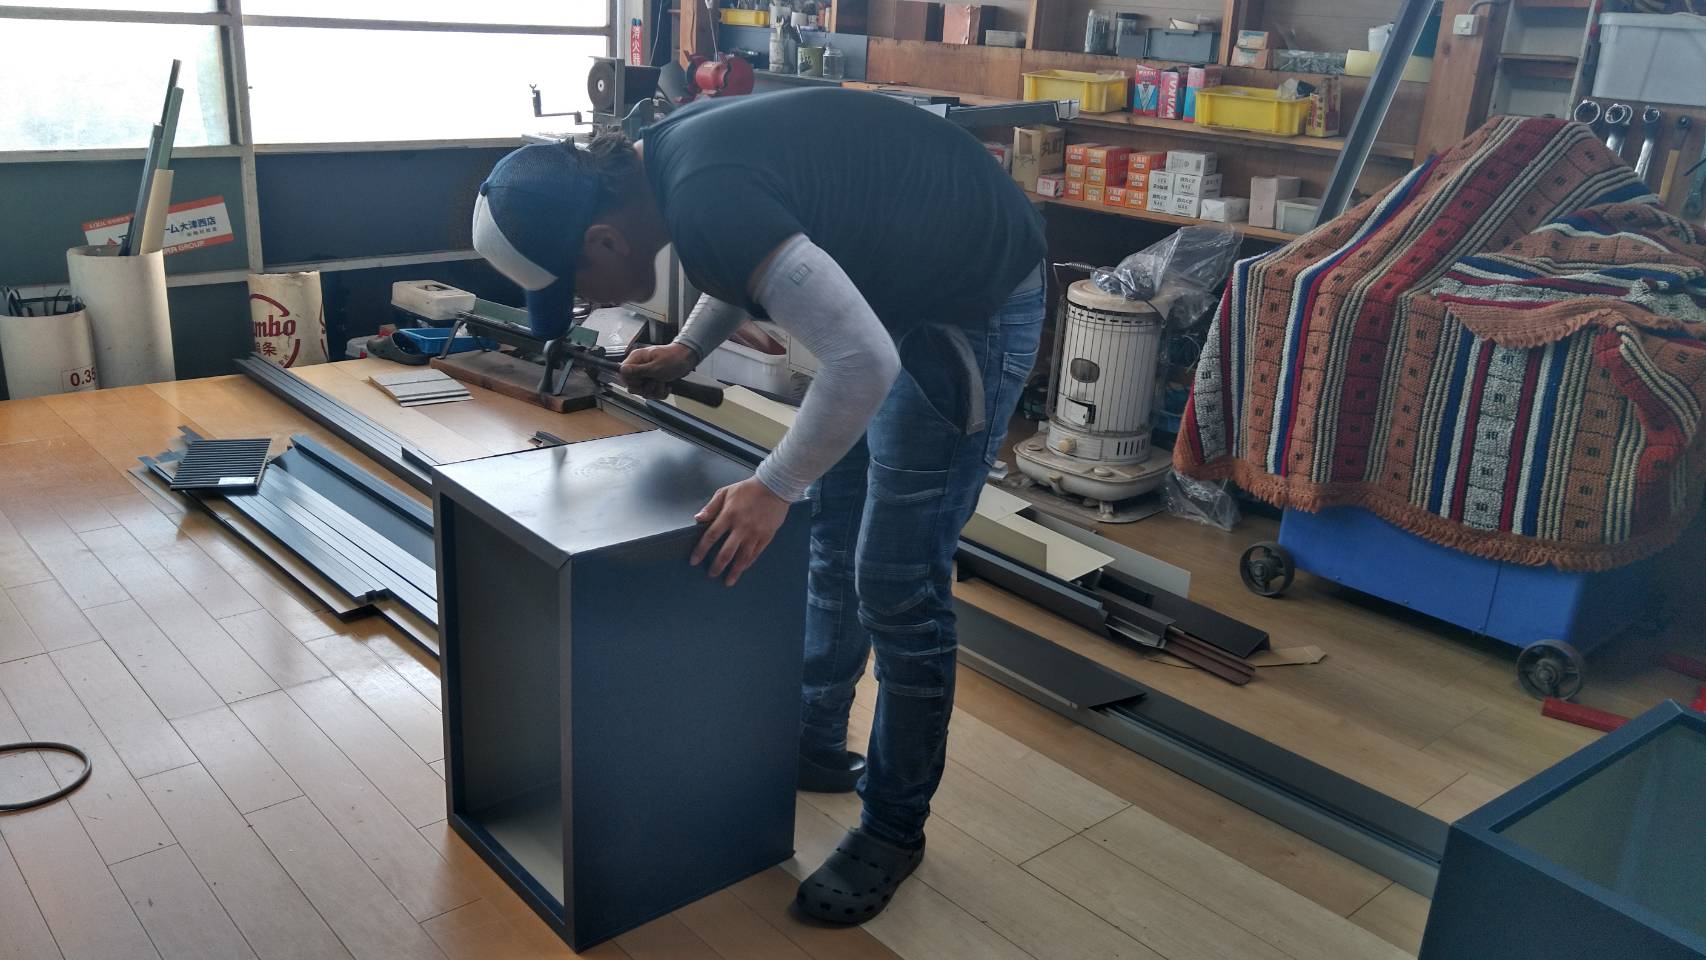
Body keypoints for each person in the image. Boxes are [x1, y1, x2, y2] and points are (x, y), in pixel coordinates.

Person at [471, 86, 1044, 924]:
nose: (594, 309)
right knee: (834, 538)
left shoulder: (703, 191)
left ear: (605, 239)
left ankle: (894, 828)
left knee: (897, 584)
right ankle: (814, 739)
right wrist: (689, 347)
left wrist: (774, 485)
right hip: (893, 286)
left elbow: (862, 362)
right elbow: (750, 253)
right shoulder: (663, 166)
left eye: (581, 289)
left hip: (969, 300)